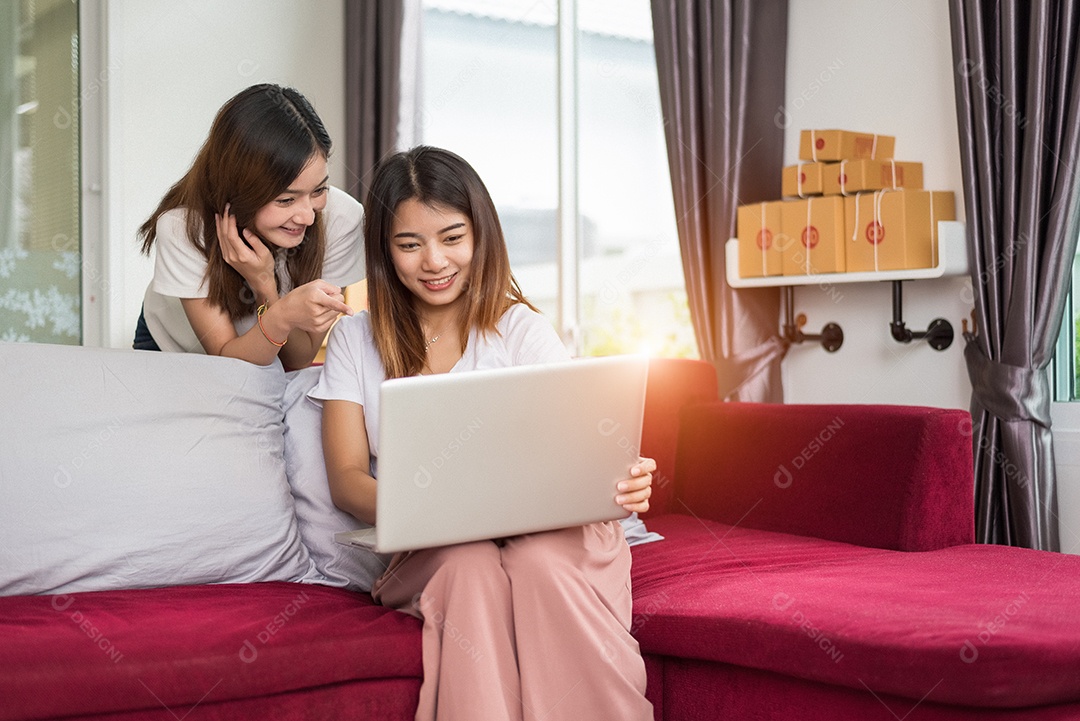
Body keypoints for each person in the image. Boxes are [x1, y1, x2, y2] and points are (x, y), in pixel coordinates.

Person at [310, 146, 654, 720]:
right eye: (409, 244)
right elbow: (346, 480)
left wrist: (621, 477)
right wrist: (442, 511)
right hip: (434, 546)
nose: (435, 261)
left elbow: (579, 454)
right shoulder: (354, 339)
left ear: (480, 235)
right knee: (468, 562)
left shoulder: (520, 329)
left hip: (553, 537)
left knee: (537, 561)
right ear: (383, 251)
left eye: (452, 237)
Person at [134, 83, 359, 369]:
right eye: (286, 200)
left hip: (263, 360)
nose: (308, 217)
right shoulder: (184, 228)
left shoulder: (343, 219)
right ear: (240, 191)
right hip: (171, 346)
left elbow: (297, 361)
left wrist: (265, 286)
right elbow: (228, 367)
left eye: (318, 190)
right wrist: (283, 312)